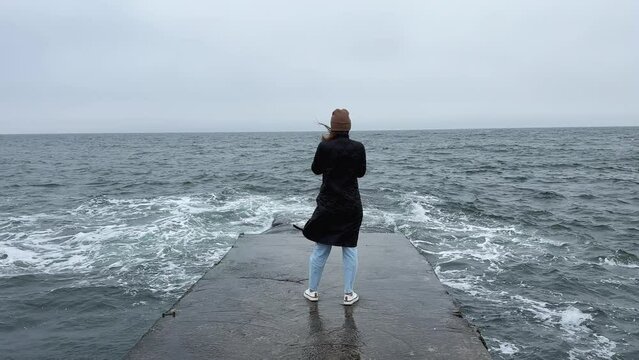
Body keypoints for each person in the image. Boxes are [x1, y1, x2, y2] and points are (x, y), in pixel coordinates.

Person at [302, 108, 366, 306]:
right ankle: (348, 294)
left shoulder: (324, 146)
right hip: (351, 205)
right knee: (350, 249)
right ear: (349, 126)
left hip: (328, 205)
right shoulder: (358, 147)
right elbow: (361, 173)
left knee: (321, 248)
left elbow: (315, 170)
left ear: (333, 126)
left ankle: (312, 291)